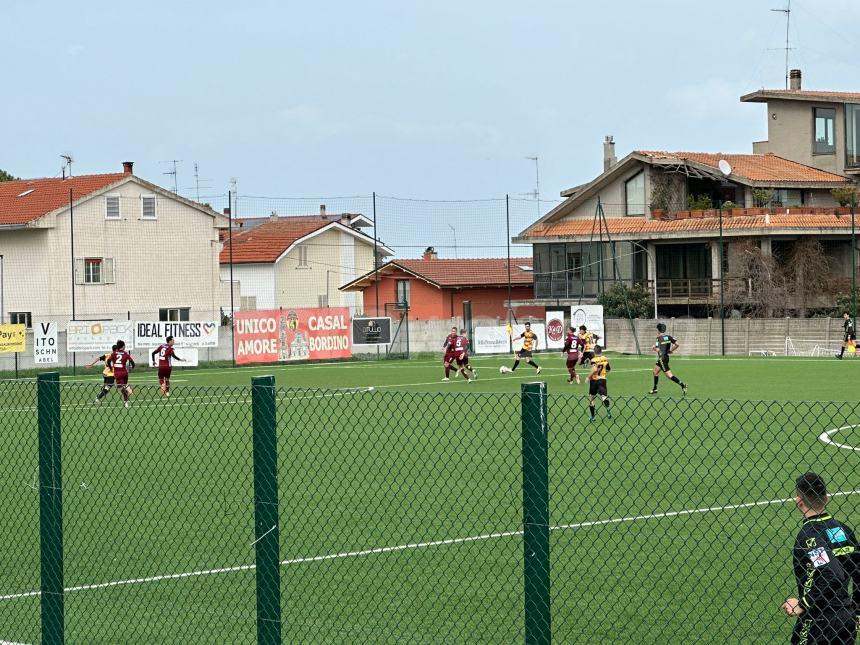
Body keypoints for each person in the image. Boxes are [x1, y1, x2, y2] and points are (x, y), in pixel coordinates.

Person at [782, 472, 859, 645]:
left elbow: (831, 573)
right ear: (826, 498)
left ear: (799, 502)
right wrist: (857, 612)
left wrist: (802, 604)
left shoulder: (809, 536)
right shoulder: (843, 529)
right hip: (846, 617)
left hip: (818, 619)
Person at [649, 323, 687, 395]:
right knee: (655, 372)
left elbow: (657, 350)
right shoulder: (668, 337)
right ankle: (655, 389)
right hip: (665, 358)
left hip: (662, 359)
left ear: (658, 330)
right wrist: (671, 350)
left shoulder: (658, 338)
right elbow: (677, 344)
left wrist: (653, 348)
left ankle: (683, 385)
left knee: (669, 376)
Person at [107, 340, 136, 408]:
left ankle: (126, 396)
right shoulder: (125, 353)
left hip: (118, 373)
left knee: (120, 388)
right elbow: (132, 362)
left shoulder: (114, 353)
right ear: (123, 347)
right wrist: (132, 367)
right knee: (124, 385)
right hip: (125, 373)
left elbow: (108, 361)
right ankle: (126, 401)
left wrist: (111, 368)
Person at [587, 345, 611, 421]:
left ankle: (593, 416)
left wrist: (588, 377)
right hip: (602, 380)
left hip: (594, 381)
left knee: (592, 398)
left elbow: (594, 369)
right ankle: (608, 411)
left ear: (594, 352)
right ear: (601, 351)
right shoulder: (605, 359)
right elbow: (608, 369)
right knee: (604, 396)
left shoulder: (593, 360)